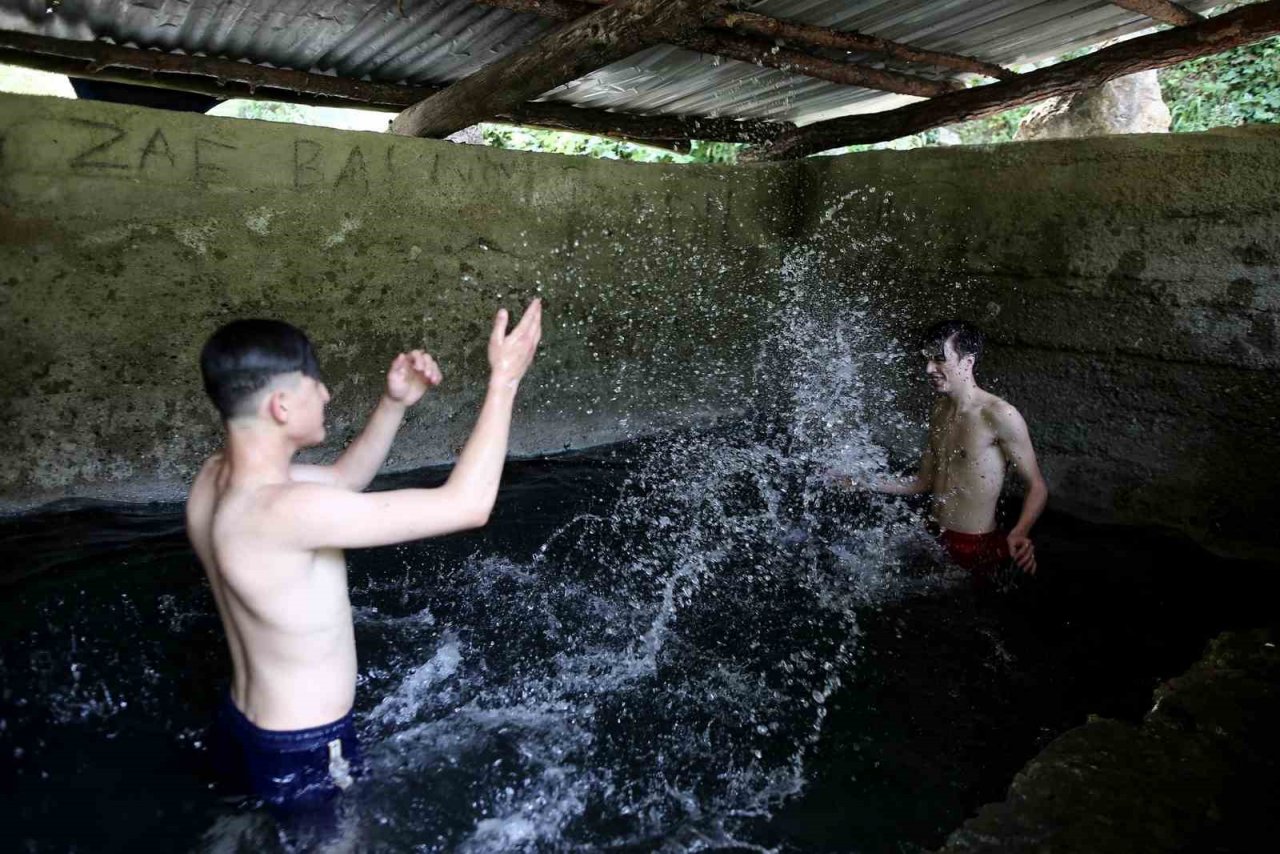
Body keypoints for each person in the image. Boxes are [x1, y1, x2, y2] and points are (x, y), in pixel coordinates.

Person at [185, 300, 541, 826]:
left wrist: (394, 404)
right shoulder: (288, 510)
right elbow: (469, 505)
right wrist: (504, 382)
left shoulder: (215, 481)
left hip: (243, 725)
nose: (326, 394)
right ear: (281, 407)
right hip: (306, 748)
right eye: (316, 386)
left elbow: (342, 482)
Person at [837, 320, 1048, 585]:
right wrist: (861, 482)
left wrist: (1020, 531)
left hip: (974, 545)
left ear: (967, 362)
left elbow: (1037, 486)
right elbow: (921, 483)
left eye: (939, 360)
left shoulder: (999, 415)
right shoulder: (939, 410)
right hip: (932, 536)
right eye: (927, 359)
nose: (929, 369)